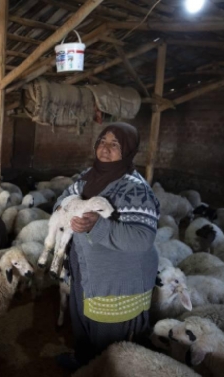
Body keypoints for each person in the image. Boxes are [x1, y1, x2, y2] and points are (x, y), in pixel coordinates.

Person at [55, 122, 159, 370]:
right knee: (82, 322)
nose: (106, 148)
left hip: (116, 279)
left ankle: (102, 370)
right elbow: (61, 200)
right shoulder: (86, 179)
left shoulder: (136, 189)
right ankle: (83, 362)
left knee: (109, 340)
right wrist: (63, 209)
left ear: (128, 151)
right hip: (85, 270)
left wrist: (97, 226)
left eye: (115, 144)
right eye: (102, 141)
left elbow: (142, 238)